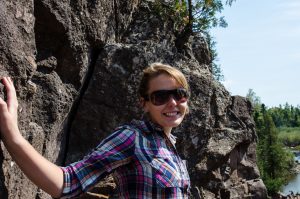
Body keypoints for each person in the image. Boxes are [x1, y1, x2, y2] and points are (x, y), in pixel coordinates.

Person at [0, 63, 191, 198]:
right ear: (144, 103)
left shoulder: (172, 150)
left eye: (179, 94)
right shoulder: (133, 138)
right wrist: (13, 136)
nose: (173, 102)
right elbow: (67, 182)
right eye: (160, 97)